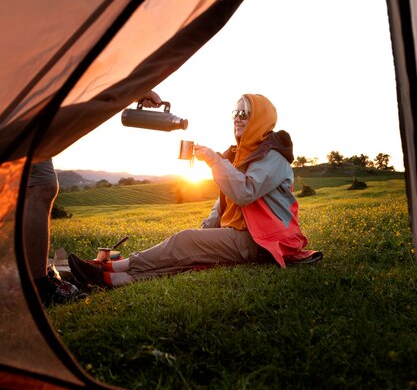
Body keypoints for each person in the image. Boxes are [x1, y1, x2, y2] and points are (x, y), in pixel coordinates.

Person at [67, 93, 322, 291]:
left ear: (261, 119)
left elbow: (245, 191)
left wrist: (213, 159)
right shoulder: (238, 155)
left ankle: (108, 265)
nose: (237, 118)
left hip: (264, 242)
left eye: (244, 113)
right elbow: (225, 200)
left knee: (183, 242)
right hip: (242, 235)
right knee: (190, 259)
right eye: (235, 112)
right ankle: (112, 279)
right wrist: (208, 227)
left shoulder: (272, 157)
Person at [25, 90, 163, 306]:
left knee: (28, 187)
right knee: (41, 186)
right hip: (23, 104)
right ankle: (39, 287)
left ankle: (32, 277)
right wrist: (132, 90)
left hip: (25, 101)